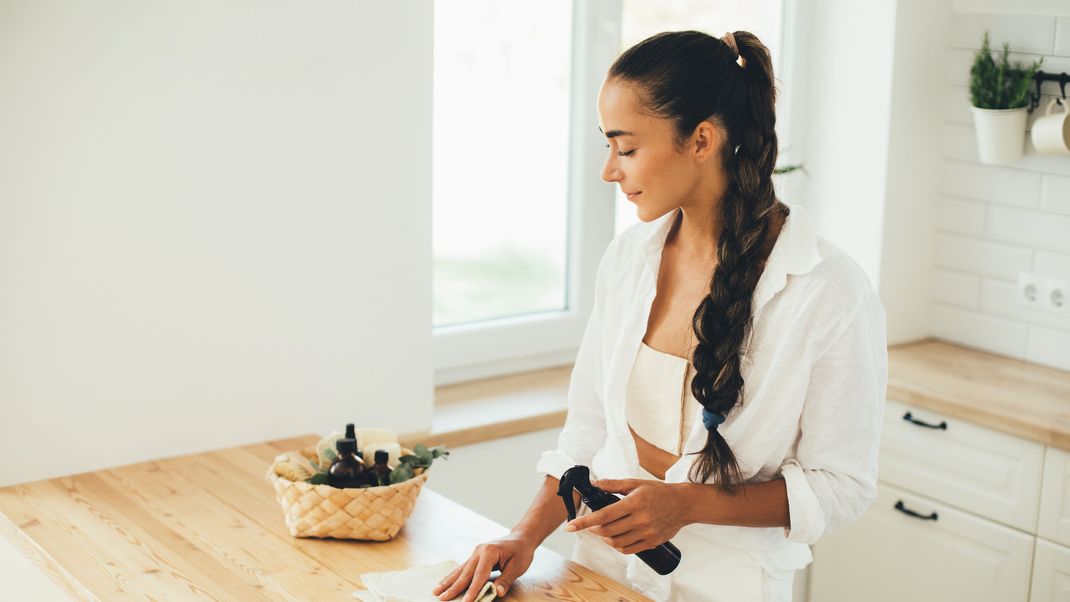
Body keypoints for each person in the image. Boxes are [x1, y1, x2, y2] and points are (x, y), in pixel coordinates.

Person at [432, 29, 887, 602]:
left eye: (626, 149)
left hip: (727, 582)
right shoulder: (629, 259)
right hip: (598, 566)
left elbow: (841, 485)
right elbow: (588, 433)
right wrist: (524, 536)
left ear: (701, 140)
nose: (609, 170)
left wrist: (686, 505)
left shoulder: (827, 292)